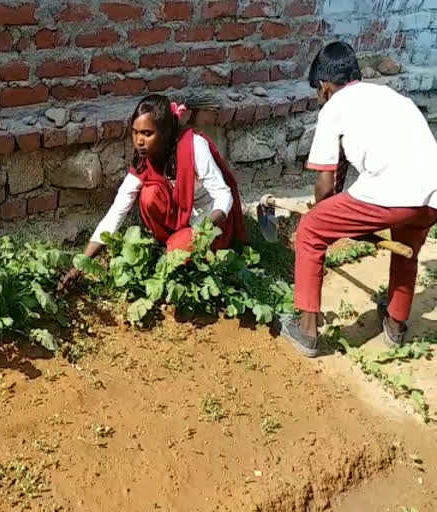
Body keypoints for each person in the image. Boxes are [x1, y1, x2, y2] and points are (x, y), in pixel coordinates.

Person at [280, 41, 437, 357]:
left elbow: (325, 182)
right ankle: (395, 325)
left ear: (324, 87)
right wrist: (342, 216)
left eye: (317, 92)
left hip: (389, 195)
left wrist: (322, 214)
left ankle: (307, 331)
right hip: (430, 196)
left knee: (311, 230)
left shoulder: (333, 108)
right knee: (405, 251)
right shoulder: (394, 97)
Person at [59, 94, 247, 291]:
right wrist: (78, 266)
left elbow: (224, 196)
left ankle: (187, 255)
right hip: (181, 218)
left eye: (147, 134)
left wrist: (202, 231)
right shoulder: (143, 159)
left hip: (208, 220)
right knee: (149, 194)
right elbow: (117, 212)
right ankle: (170, 244)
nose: (139, 141)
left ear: (165, 133)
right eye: (135, 133)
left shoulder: (194, 147)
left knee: (179, 253)